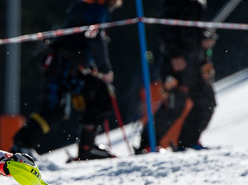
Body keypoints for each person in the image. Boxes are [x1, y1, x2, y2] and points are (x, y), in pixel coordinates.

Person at [11, 0, 123, 161]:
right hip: (66, 65)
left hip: (62, 62)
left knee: (57, 109)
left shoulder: (85, 5)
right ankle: (85, 148)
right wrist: (104, 68)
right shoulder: (97, 7)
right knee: (101, 96)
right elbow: (94, 37)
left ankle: (23, 143)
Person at [137, 0, 216, 152]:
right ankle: (146, 144)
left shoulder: (199, 4)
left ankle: (187, 142)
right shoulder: (172, 4)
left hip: (196, 63)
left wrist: (206, 38)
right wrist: (174, 54)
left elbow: (199, 29)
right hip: (176, 65)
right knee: (173, 105)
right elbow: (165, 30)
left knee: (206, 101)